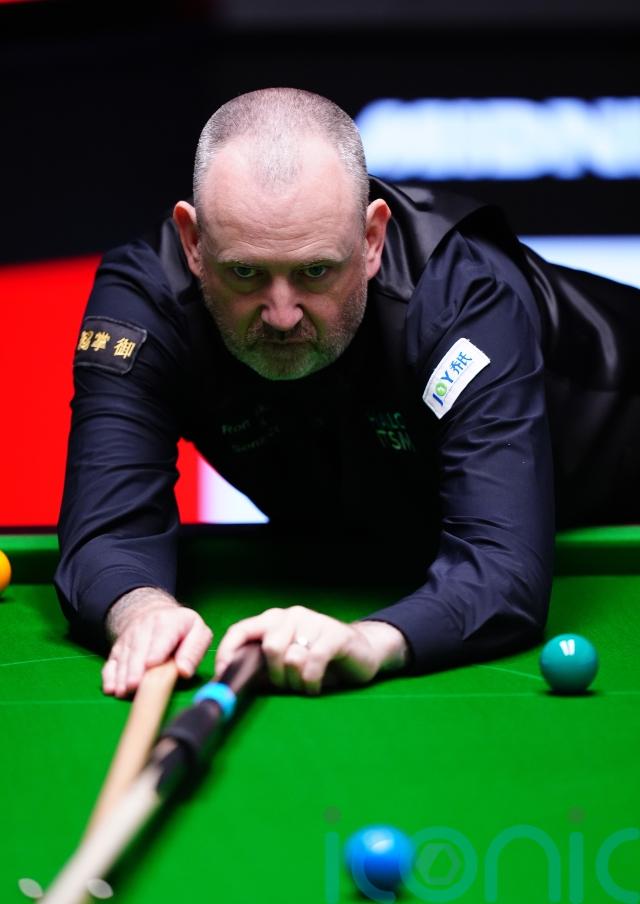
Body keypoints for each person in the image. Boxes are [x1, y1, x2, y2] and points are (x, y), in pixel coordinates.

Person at [54, 87, 640, 699]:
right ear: (194, 242)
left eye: (315, 272)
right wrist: (140, 610)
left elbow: (505, 568)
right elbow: (106, 526)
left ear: (371, 238)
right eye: (246, 273)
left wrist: (370, 641)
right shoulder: (147, 303)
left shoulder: (461, 298)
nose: (282, 315)